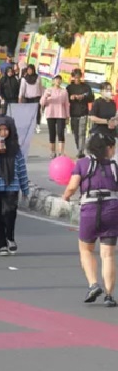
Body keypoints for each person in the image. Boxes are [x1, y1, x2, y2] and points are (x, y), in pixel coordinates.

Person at [62, 133, 118, 307]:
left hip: (90, 210)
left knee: (86, 249)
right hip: (112, 209)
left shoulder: (82, 164)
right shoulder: (114, 166)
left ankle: (93, 284)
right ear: (107, 148)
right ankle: (109, 295)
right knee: (108, 255)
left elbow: (72, 186)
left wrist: (66, 197)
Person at [0, 122, 30, 256]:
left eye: (6, 130)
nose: (3, 133)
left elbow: (22, 168)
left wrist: (25, 188)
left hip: (12, 185)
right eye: (0, 130)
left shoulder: (16, 148)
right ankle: (1, 245)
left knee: (10, 213)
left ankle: (10, 237)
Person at [40, 75, 70, 158]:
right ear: (53, 81)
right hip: (50, 114)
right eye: (56, 79)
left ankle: (61, 152)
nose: (58, 81)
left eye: (60, 79)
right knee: (52, 133)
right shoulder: (48, 90)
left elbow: (66, 104)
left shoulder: (64, 92)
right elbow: (42, 103)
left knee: (60, 132)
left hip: (61, 114)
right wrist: (46, 96)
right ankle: (52, 152)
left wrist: (67, 116)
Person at [67, 69, 94, 158]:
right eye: (75, 77)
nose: (77, 79)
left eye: (78, 77)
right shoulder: (69, 88)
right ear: (73, 77)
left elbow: (91, 98)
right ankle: (79, 147)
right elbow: (65, 99)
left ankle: (80, 151)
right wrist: (71, 97)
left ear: (81, 77)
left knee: (82, 132)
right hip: (73, 113)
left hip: (83, 112)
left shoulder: (86, 87)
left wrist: (82, 97)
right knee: (75, 133)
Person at [19, 64, 44, 134]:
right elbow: (22, 89)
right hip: (27, 98)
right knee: (28, 113)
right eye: (28, 69)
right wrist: (20, 97)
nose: (30, 71)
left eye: (31, 69)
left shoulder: (38, 77)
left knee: (37, 112)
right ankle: (29, 126)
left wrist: (43, 96)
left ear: (33, 70)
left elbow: (41, 87)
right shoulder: (24, 79)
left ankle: (37, 125)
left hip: (36, 97)